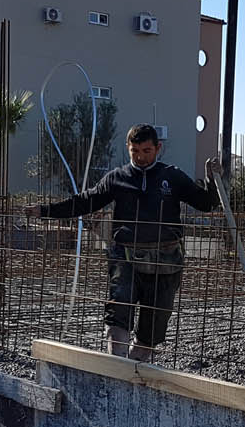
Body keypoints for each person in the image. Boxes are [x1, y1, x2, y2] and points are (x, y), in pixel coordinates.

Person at [36, 123, 219, 361]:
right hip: (126, 258)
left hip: (165, 262)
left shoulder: (172, 177)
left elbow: (205, 203)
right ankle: (117, 366)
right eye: (135, 151)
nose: (140, 157)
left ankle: (132, 368)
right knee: (118, 314)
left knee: (153, 328)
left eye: (146, 151)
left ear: (158, 148)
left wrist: (212, 180)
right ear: (128, 148)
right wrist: (45, 211)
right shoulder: (117, 178)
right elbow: (85, 201)